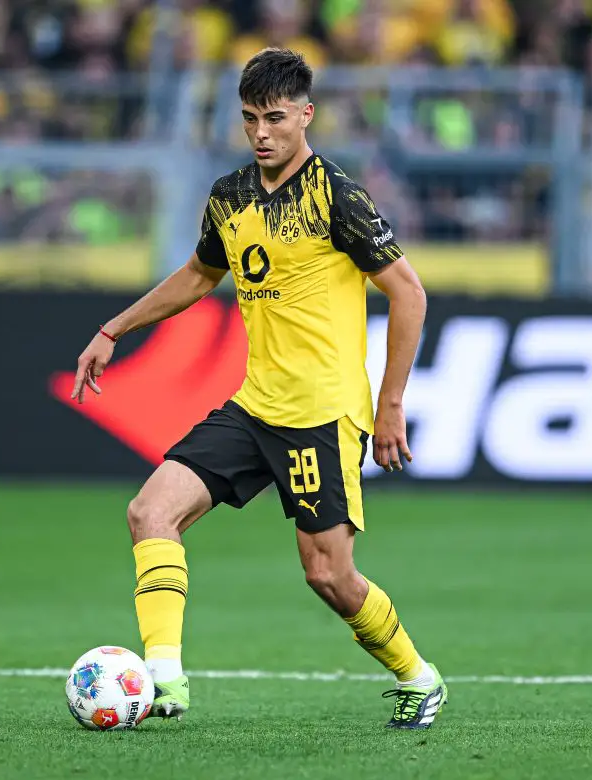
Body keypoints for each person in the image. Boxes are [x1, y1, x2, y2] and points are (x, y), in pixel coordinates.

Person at [69, 48, 445, 730]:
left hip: (323, 415)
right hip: (255, 405)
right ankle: (164, 680)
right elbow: (195, 276)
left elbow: (409, 294)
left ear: (306, 114)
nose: (263, 132)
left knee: (328, 576)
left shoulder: (339, 196)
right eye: (250, 119)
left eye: (275, 118)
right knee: (150, 513)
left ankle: (419, 677)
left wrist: (390, 407)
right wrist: (114, 329)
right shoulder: (230, 196)